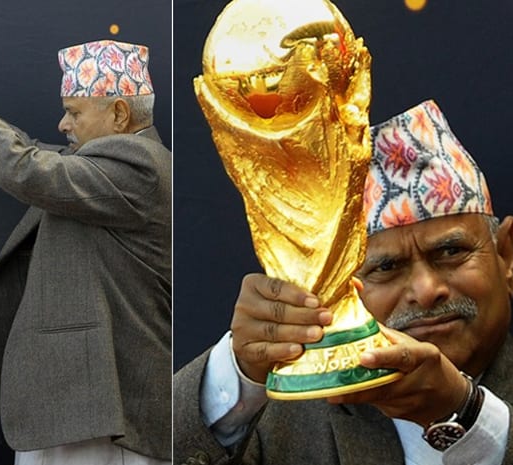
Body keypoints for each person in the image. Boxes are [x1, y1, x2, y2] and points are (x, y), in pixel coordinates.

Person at [174, 100, 513, 465]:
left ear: (506, 254)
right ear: (340, 290)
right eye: (386, 268)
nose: (427, 291)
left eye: (451, 252)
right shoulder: (286, 413)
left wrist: (467, 411)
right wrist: (241, 368)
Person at [0, 38, 171, 465]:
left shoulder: (141, 166)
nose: (63, 125)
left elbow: (28, 167)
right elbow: (26, 149)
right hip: (81, 412)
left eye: (74, 112)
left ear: (119, 114)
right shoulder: (107, 165)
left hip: (104, 424)